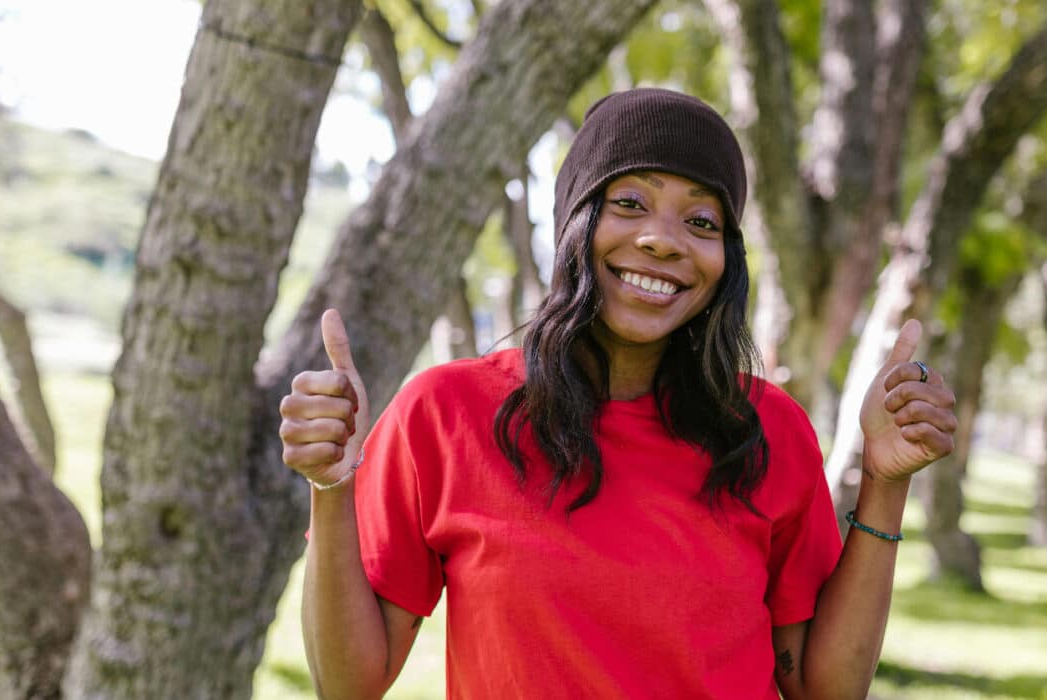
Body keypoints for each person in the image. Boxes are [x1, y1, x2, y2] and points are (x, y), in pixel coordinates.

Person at [279, 88, 958, 700]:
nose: (662, 241)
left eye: (702, 222)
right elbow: (350, 684)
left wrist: (883, 480)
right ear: (575, 222)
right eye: (629, 203)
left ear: (726, 263)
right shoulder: (445, 414)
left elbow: (823, 689)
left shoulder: (767, 430)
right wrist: (332, 489)